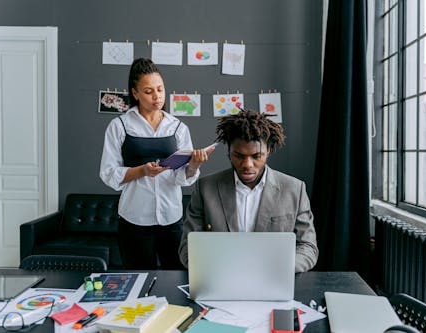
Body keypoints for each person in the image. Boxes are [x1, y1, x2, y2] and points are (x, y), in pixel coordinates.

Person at [100, 58, 213, 270]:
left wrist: (194, 165)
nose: (157, 96)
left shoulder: (178, 127)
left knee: (178, 279)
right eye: (149, 91)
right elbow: (108, 173)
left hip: (171, 218)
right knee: (139, 282)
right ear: (135, 93)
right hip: (134, 219)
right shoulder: (120, 126)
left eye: (160, 89)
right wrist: (142, 171)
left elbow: (182, 178)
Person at [178, 109, 318, 272]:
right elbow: (187, 247)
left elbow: (307, 246)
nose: (247, 165)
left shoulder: (294, 189)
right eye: (239, 156)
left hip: (274, 278)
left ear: (268, 151)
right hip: (220, 277)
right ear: (229, 151)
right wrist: (213, 268)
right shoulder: (206, 188)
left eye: (256, 156)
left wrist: (281, 268)